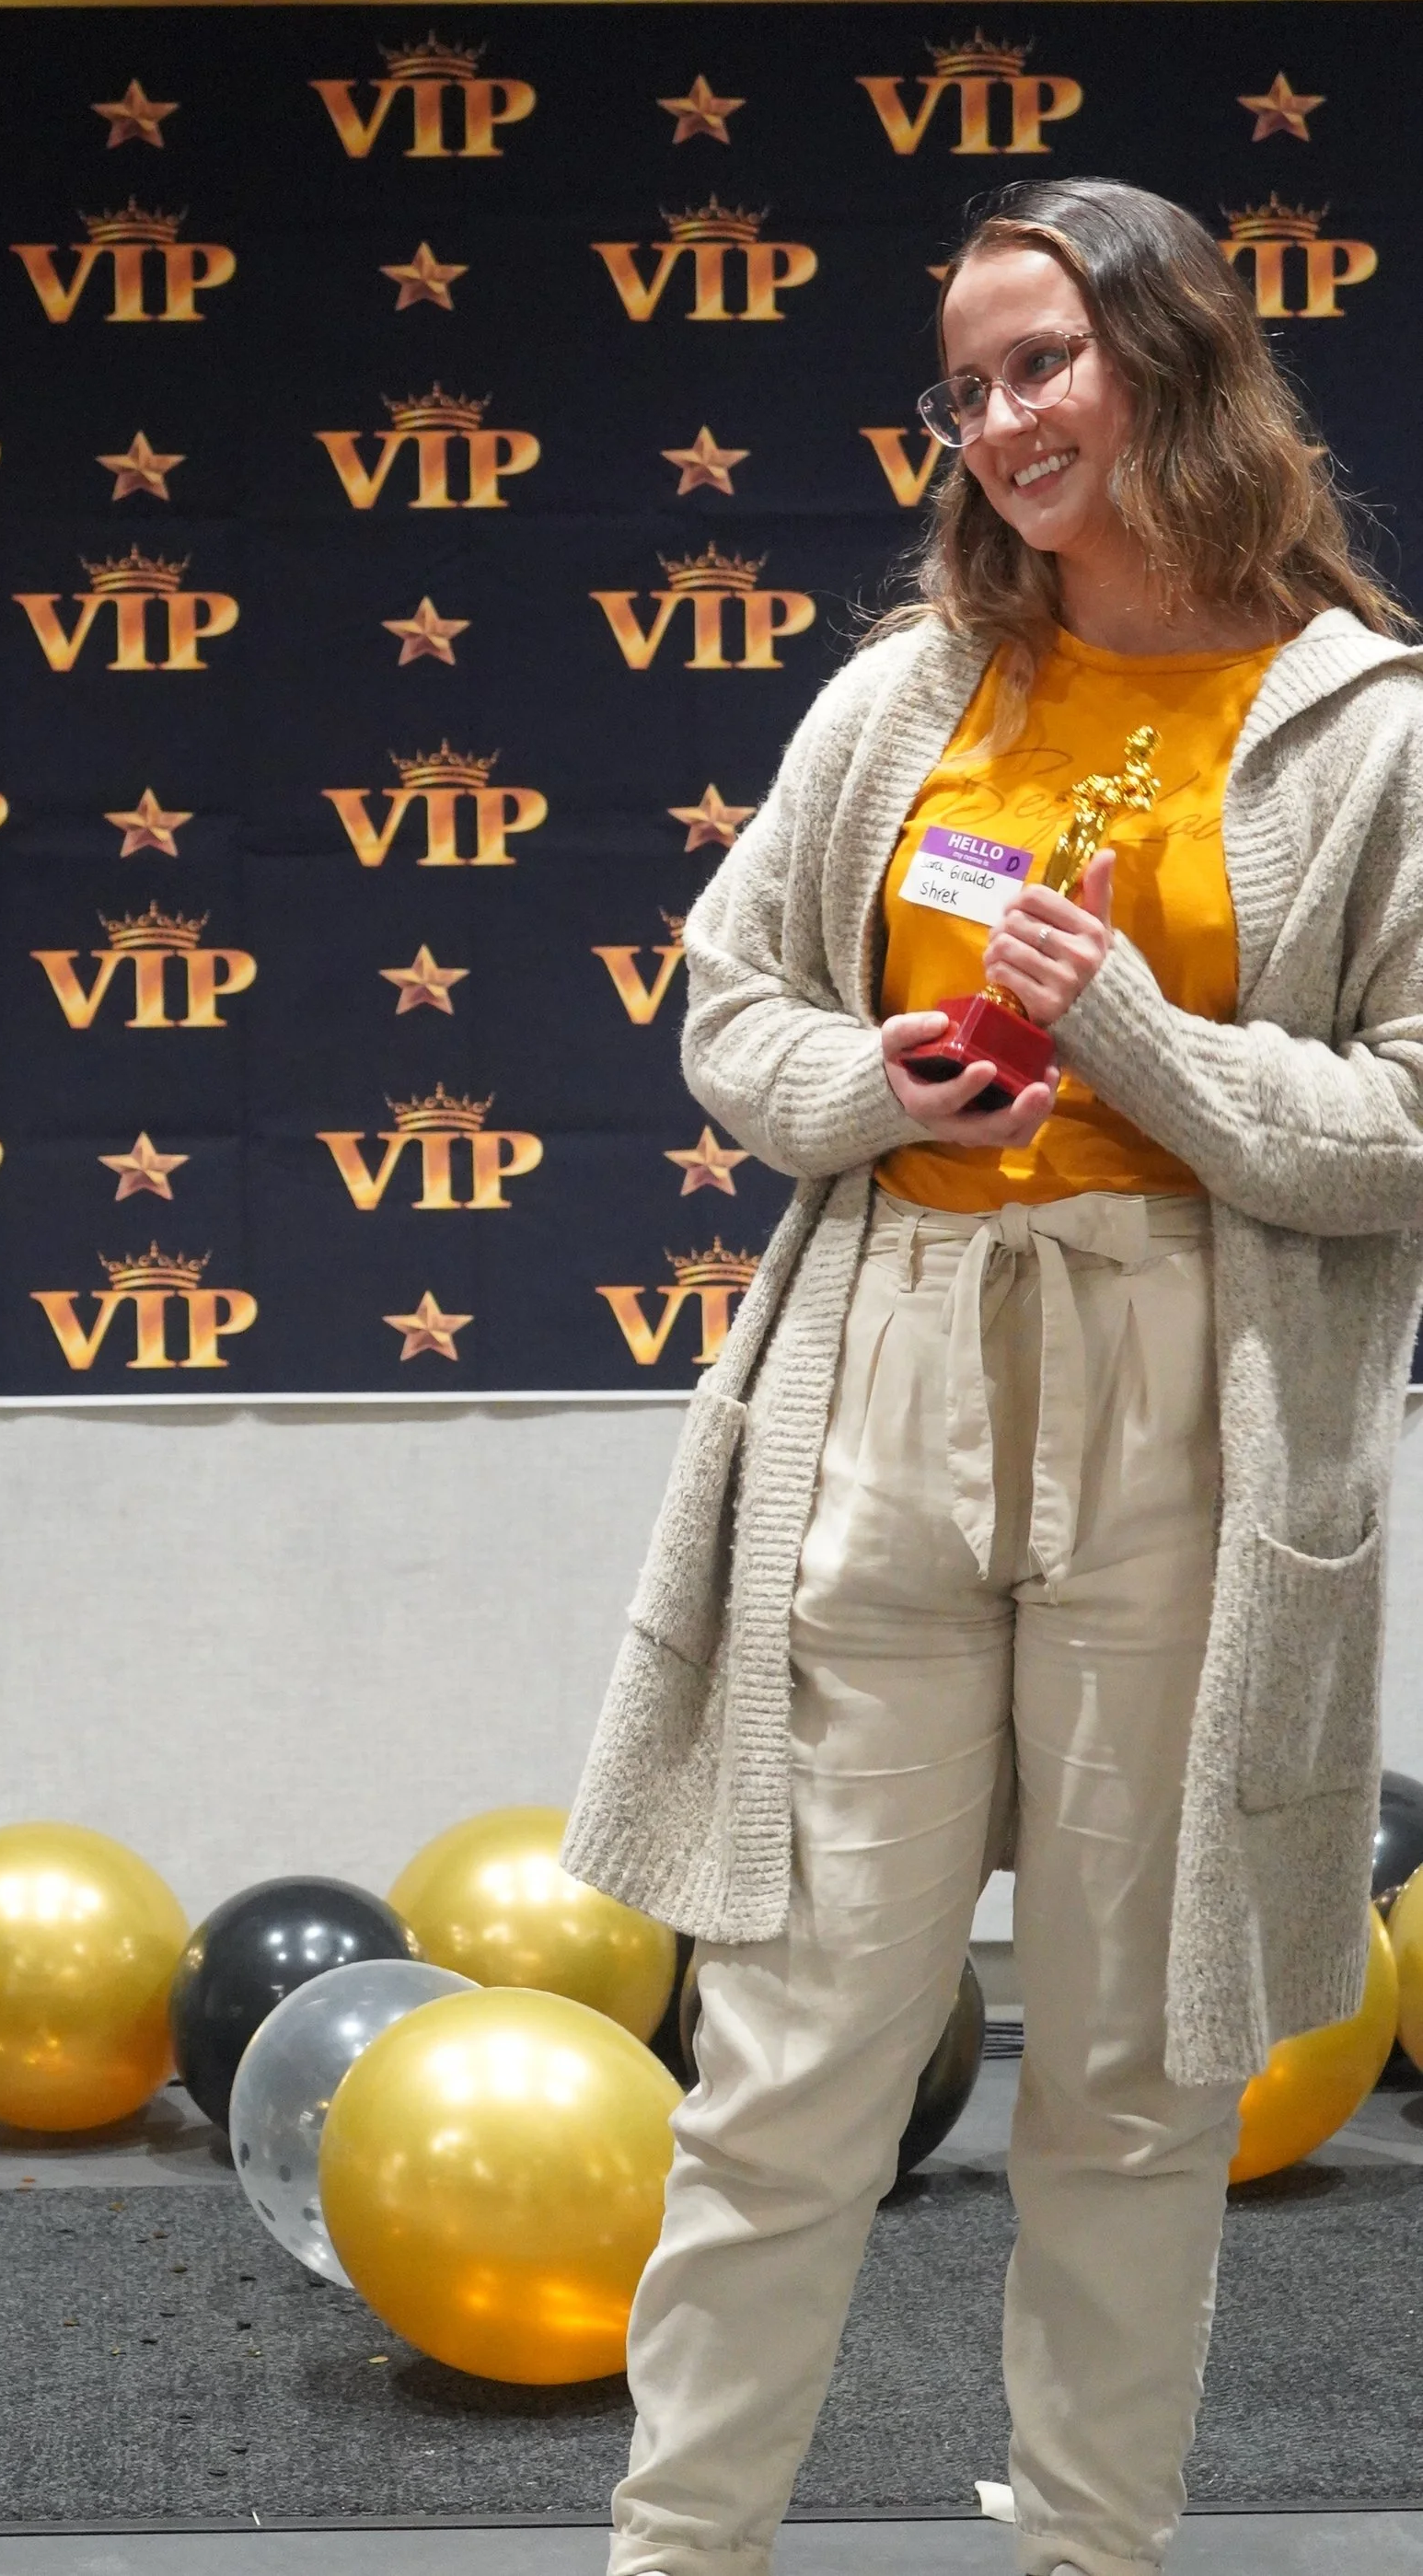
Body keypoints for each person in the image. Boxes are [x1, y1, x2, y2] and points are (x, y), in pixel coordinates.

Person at [563, 176, 1423, 2576]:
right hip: (892, 1397)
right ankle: (679, 2557)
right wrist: (882, 1087)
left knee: (1134, 2087)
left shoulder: (1366, 728)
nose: (999, 423)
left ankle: (1085, 2556)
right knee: (790, 2070)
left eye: (1040, 360)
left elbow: (1406, 1123)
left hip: (1190, 1422)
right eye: (963, 386)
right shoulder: (905, 694)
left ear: (1172, 354)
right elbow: (731, 1009)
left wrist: (1132, 1034)